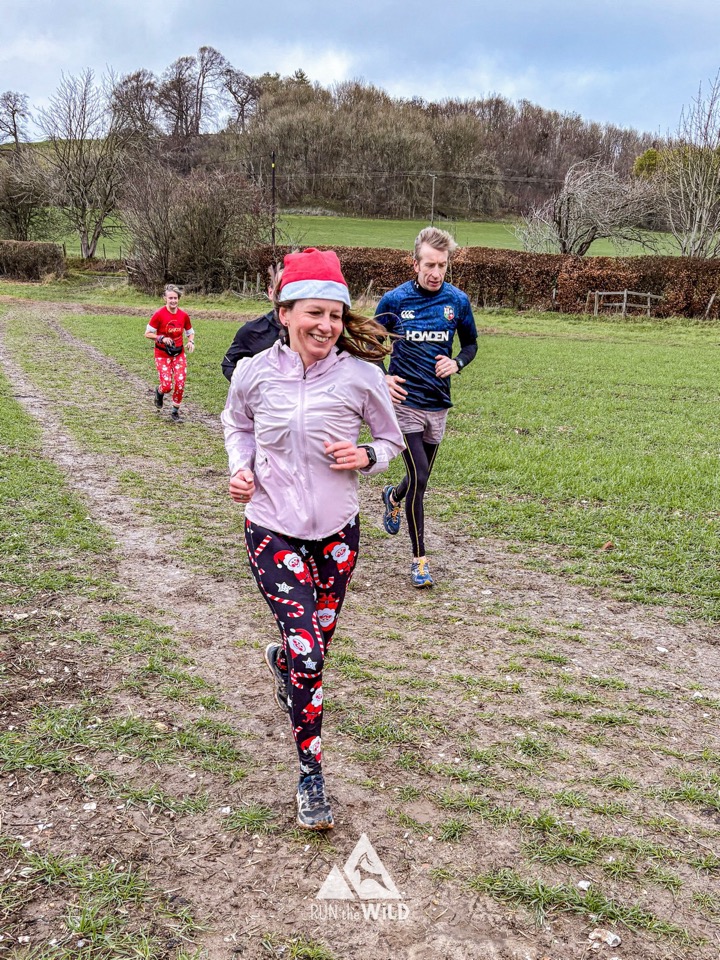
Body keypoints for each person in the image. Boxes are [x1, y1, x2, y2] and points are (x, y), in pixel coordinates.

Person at [222, 248, 403, 831]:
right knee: (309, 650)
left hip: (336, 535)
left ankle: (284, 660)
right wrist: (241, 468)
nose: (325, 326)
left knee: (313, 646)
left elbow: (392, 440)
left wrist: (367, 455)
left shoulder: (361, 376)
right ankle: (311, 776)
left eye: (335, 315)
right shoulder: (254, 372)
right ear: (285, 313)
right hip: (271, 527)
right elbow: (237, 424)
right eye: (314, 313)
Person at [374, 227, 478, 589]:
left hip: (438, 405)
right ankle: (419, 561)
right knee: (420, 477)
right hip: (405, 404)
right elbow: (370, 344)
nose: (436, 272)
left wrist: (457, 363)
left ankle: (393, 495)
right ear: (415, 263)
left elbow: (470, 345)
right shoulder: (394, 300)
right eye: (429, 265)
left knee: (421, 477)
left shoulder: (457, 302)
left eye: (442, 265)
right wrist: (383, 377)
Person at [221, 268, 282, 382]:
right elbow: (228, 364)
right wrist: (251, 387)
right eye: (281, 289)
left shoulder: (311, 331)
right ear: (270, 292)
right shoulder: (251, 331)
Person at [145, 284, 195, 421]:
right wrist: (161, 338)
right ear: (165, 299)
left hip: (179, 354)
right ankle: (159, 391)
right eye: (170, 298)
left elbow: (190, 332)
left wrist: (191, 341)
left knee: (180, 382)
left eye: (175, 298)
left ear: (178, 299)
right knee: (167, 386)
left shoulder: (184, 315)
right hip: (162, 354)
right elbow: (147, 333)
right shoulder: (159, 314)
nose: (173, 301)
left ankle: (175, 411)